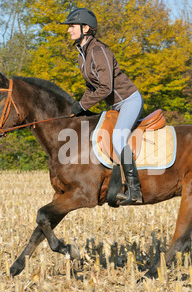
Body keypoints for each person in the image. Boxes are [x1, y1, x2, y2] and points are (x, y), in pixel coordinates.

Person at [61, 8, 143, 205]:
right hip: (115, 106)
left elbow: (106, 87)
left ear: (86, 28)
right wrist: (77, 108)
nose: (69, 30)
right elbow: (92, 88)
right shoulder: (82, 54)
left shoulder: (98, 50)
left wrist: (82, 105)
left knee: (117, 137)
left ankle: (135, 191)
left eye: (72, 26)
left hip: (129, 100)